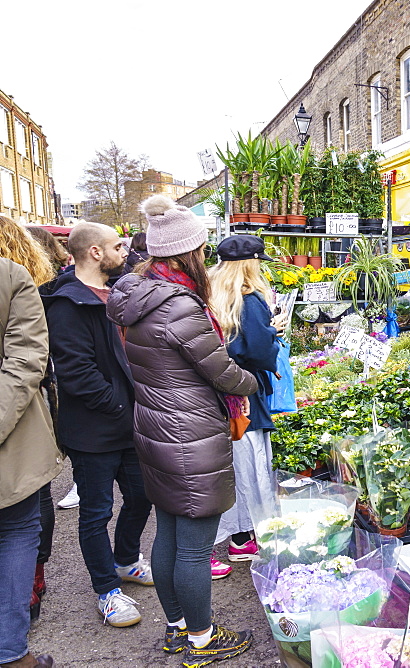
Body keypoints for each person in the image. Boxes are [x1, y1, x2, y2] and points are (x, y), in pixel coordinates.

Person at [107, 195, 258, 666]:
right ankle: (201, 639)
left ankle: (177, 628)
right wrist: (254, 380)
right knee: (193, 546)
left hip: (157, 429)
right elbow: (222, 371)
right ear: (186, 252)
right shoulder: (180, 307)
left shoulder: (138, 294)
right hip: (190, 437)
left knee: (170, 532)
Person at [43, 222, 154, 628]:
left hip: (129, 423)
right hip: (93, 431)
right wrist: (127, 411)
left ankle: (125, 560)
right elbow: (78, 375)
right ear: (94, 252)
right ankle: (107, 591)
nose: (124, 251)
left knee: (142, 496)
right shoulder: (68, 303)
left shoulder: (119, 292)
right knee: (96, 512)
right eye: (117, 245)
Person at [0, 215, 61, 668]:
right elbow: (25, 361)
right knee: (18, 534)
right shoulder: (9, 274)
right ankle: (12, 654)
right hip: (11, 442)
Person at [207, 236, 285, 579]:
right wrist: (274, 332)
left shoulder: (209, 292)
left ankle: (239, 538)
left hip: (219, 392)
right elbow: (256, 349)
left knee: (230, 467)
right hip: (245, 395)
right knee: (250, 466)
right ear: (251, 263)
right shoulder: (249, 298)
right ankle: (248, 537)